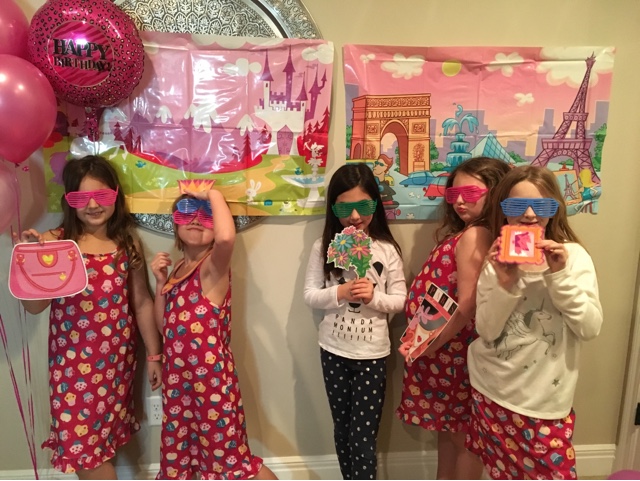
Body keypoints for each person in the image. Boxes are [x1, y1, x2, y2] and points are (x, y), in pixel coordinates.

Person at [15, 155, 162, 479]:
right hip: (71, 369)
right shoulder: (56, 243)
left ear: (115, 195)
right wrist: (33, 265)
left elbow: (141, 302)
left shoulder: (126, 244)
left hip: (116, 365)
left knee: (100, 445)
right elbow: (34, 308)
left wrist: (154, 354)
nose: (93, 205)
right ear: (69, 201)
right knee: (82, 450)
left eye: (102, 195)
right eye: (81, 198)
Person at [466, 165, 603, 480]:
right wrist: (505, 282)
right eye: (517, 206)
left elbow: (590, 328)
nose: (529, 215)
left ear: (555, 210)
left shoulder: (573, 258)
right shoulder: (496, 262)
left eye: (542, 207)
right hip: (492, 392)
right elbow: (487, 330)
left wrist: (560, 276)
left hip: (546, 403)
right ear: (503, 210)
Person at [396, 157, 511, 479]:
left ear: (495, 193)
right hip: (444, 353)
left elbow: (467, 305)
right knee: (450, 432)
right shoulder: (468, 233)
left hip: (452, 354)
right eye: (453, 194)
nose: (459, 201)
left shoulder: (475, 235)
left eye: (470, 194)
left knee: (463, 439)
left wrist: (429, 344)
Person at [150, 186, 277, 480]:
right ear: (175, 222)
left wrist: (213, 195)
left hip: (210, 386)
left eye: (206, 215)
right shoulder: (178, 269)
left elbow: (226, 238)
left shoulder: (212, 268)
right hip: (180, 387)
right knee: (186, 460)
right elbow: (165, 327)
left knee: (232, 462)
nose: (196, 219)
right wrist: (159, 284)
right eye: (186, 212)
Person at [303, 163, 407, 480]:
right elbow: (310, 294)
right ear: (333, 209)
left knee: (362, 439)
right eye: (344, 209)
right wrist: (341, 291)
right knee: (342, 430)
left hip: (371, 357)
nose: (355, 217)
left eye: (364, 207)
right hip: (332, 351)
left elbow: (401, 300)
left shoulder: (386, 250)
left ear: (375, 204)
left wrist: (373, 297)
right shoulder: (323, 247)